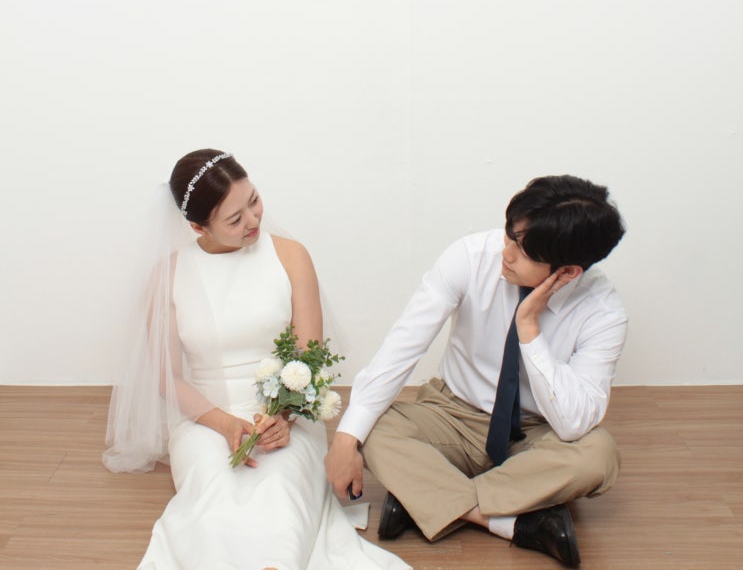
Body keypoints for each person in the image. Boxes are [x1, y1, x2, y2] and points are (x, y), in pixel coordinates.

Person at [103, 149, 410, 570]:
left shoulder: (291, 256)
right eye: (234, 219)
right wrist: (226, 424)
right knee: (213, 501)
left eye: (254, 201)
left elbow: (309, 357)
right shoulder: (169, 275)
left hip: (287, 417)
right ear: (197, 227)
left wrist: (283, 418)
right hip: (205, 420)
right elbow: (169, 379)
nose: (253, 220)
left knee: (279, 494)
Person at [325, 174, 628, 568]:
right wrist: (346, 440)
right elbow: (402, 347)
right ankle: (511, 522)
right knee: (372, 427)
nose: (506, 253)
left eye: (523, 251)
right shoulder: (470, 257)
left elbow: (573, 423)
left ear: (568, 272)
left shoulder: (604, 313)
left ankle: (427, 499)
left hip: (539, 430)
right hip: (452, 413)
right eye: (509, 234)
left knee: (598, 457)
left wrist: (529, 329)